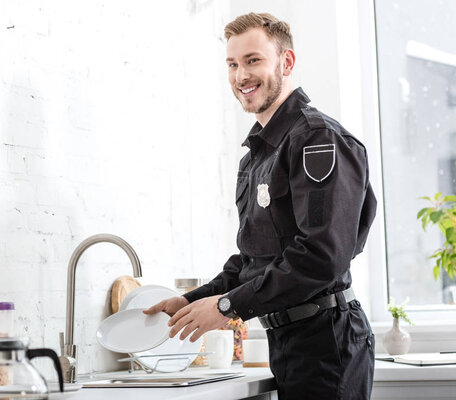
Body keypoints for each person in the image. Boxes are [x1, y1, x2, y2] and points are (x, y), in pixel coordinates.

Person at [144, 12, 377, 400]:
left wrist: (225, 307)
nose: (240, 76)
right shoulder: (258, 155)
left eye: (253, 60)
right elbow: (256, 259)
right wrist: (192, 300)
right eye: (232, 64)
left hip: (327, 343)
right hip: (290, 341)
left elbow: (321, 256)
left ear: (286, 62)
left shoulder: (317, 140)